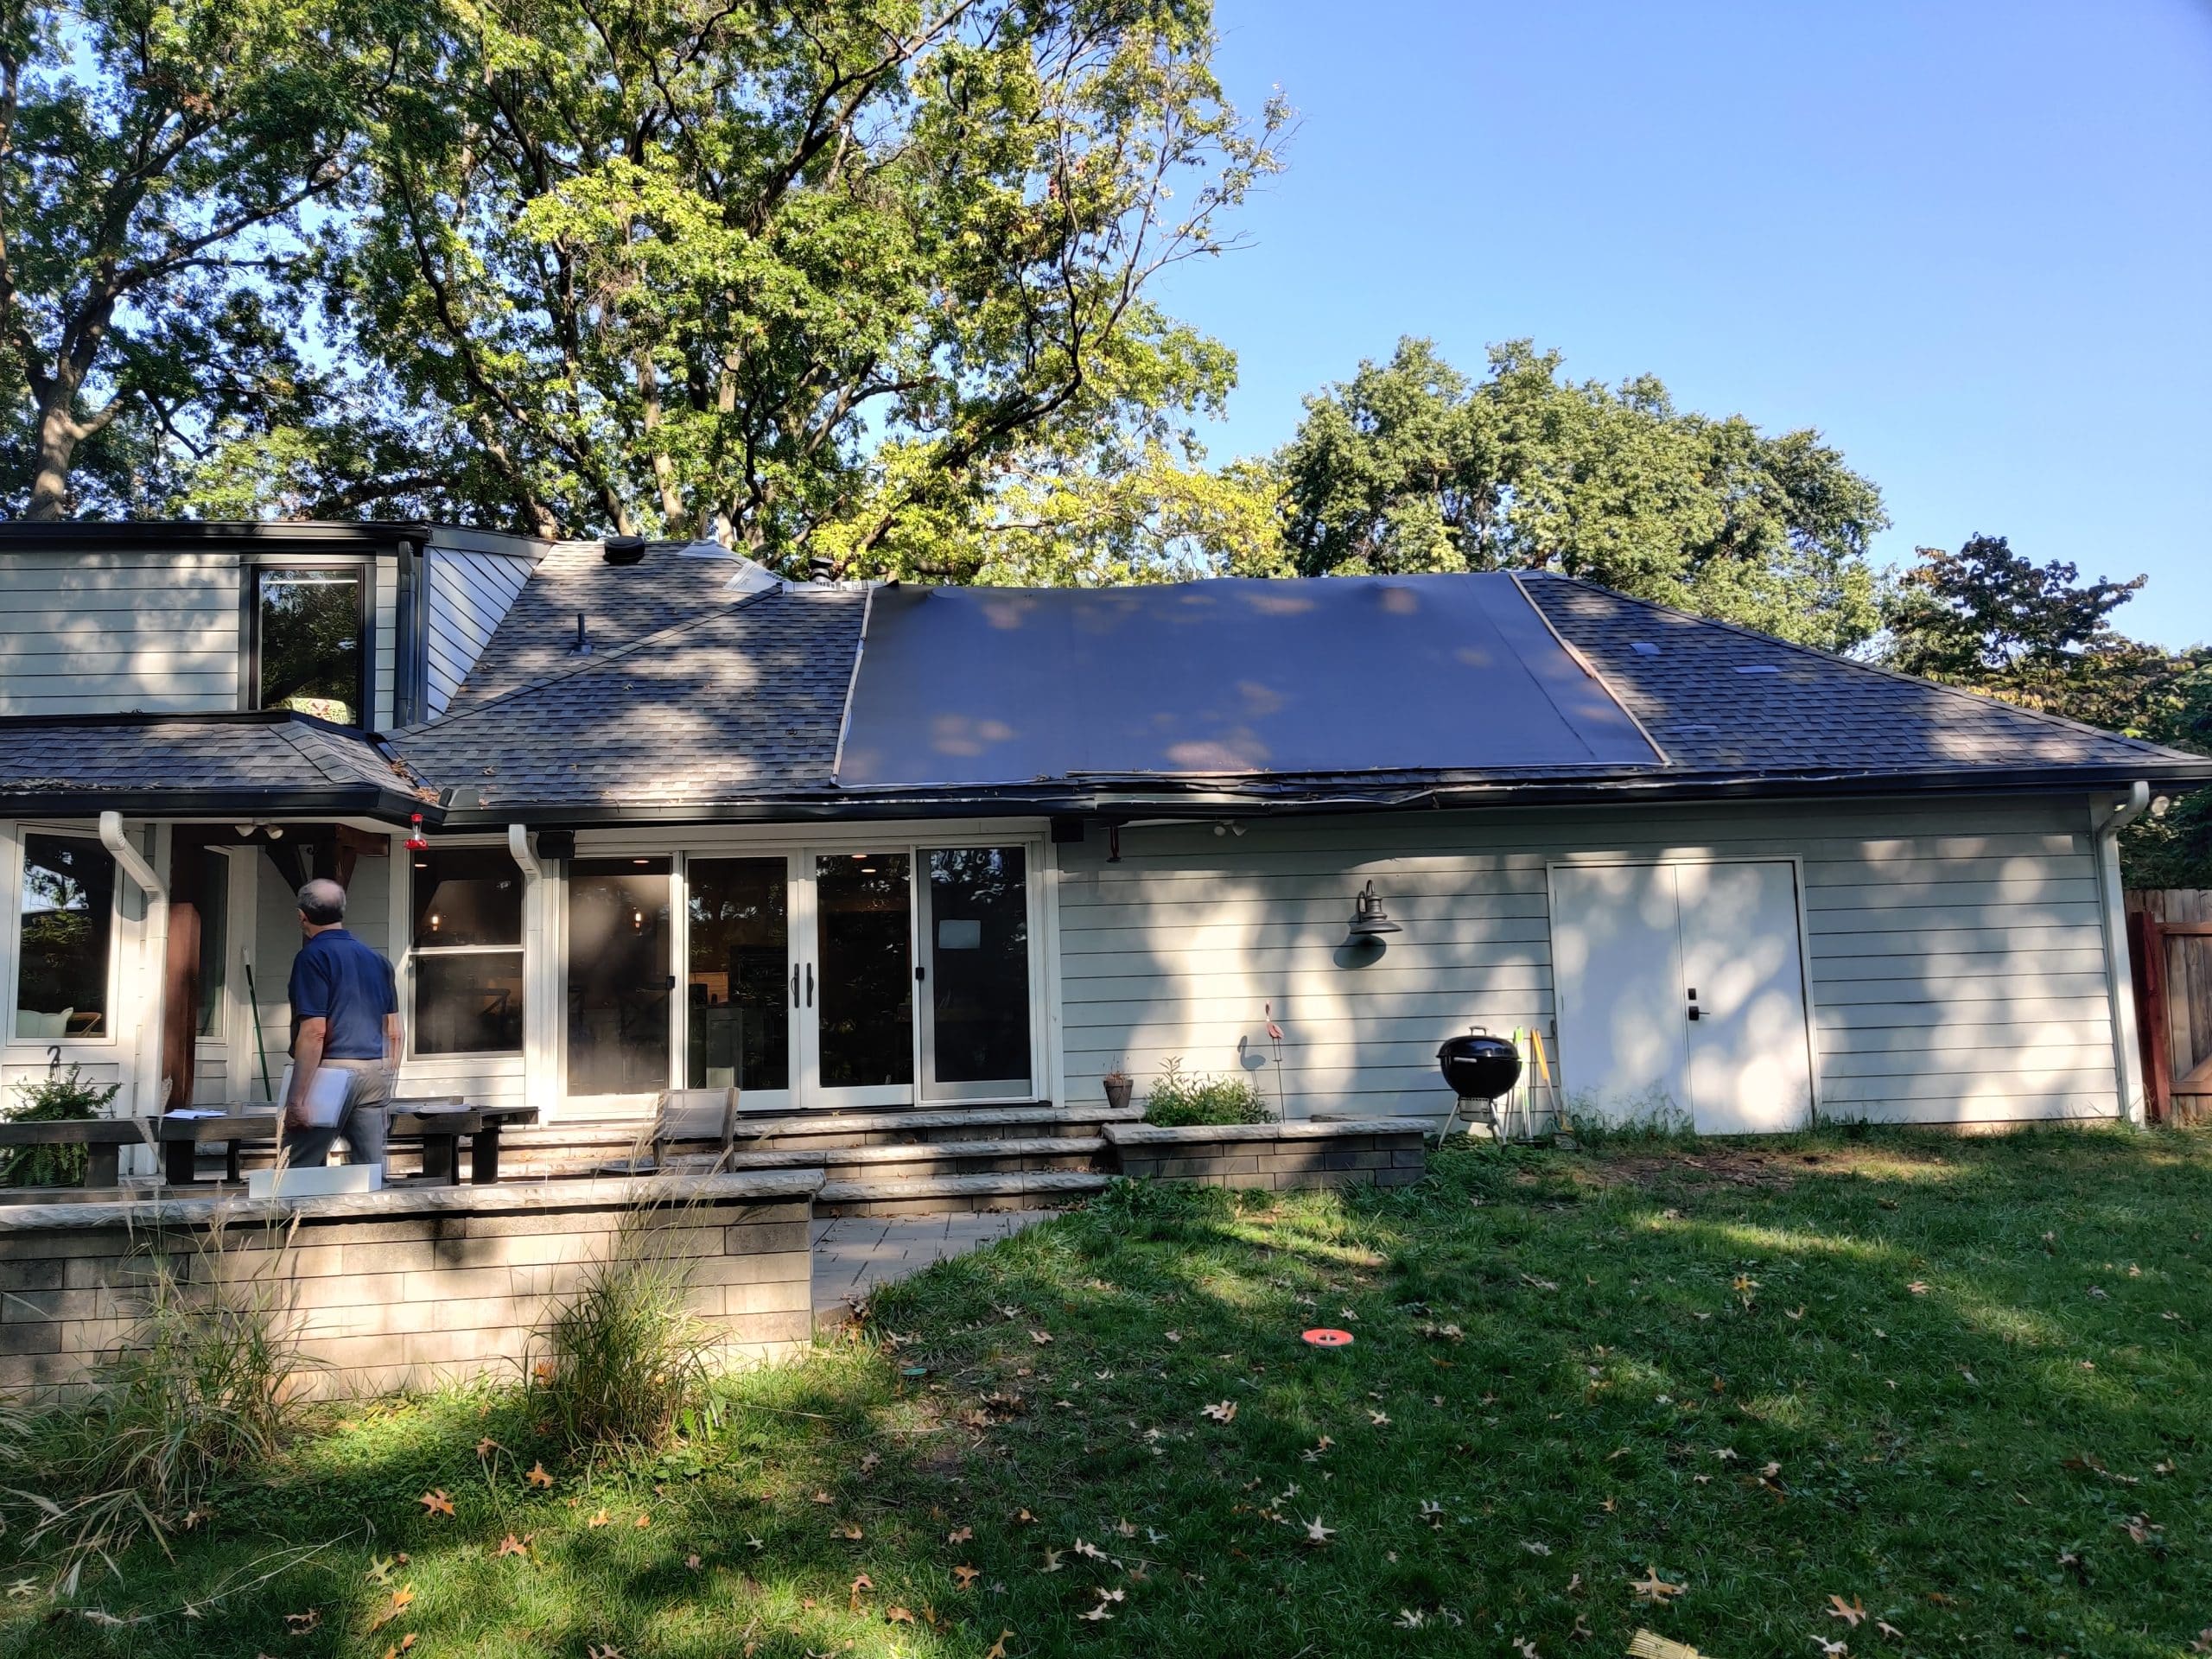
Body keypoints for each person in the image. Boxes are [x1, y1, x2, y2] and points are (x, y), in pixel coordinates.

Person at [281, 877, 400, 1171]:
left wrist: (296, 1100)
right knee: (369, 1172)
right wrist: (387, 1085)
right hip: (374, 1073)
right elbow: (395, 1033)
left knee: (297, 1168)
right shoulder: (378, 960)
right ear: (342, 911)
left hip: (330, 1074)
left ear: (302, 916)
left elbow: (314, 1030)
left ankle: (292, 1217)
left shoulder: (312, 957)